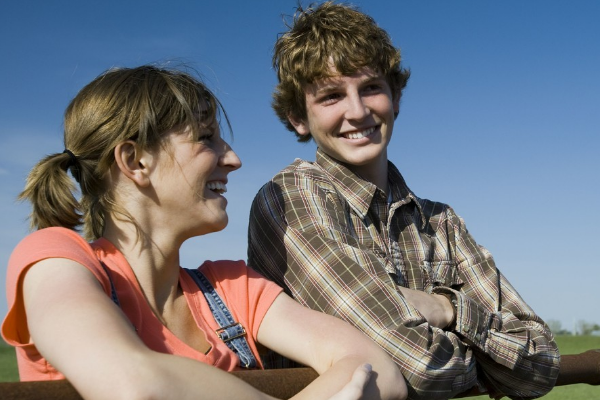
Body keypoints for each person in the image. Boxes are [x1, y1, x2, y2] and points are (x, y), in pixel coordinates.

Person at [1, 65, 407, 400]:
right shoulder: (54, 258)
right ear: (136, 160)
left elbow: (377, 369)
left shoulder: (233, 287)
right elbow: (131, 381)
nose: (233, 159)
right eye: (206, 138)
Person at [247, 2, 560, 399]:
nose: (357, 111)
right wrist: (491, 360)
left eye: (371, 88)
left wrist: (447, 309)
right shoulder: (290, 198)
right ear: (297, 118)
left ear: (395, 97)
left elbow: (543, 363)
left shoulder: (440, 222)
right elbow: (416, 364)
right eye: (331, 96)